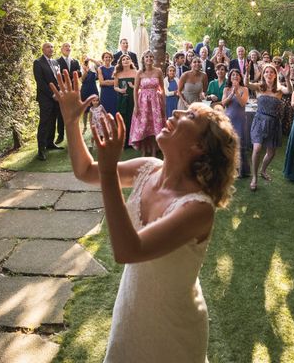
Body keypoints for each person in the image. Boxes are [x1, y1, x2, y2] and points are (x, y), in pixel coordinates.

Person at [50, 70, 238, 363]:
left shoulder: (197, 209)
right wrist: (72, 120)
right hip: (132, 311)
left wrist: (111, 169)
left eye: (189, 115)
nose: (175, 111)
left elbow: (128, 250)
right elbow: (86, 171)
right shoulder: (147, 168)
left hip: (174, 329)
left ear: (198, 147)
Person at [245, 64, 292, 191]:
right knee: (257, 148)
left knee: (271, 152)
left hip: (274, 123)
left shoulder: (279, 88)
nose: (269, 74)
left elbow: (290, 91)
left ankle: (263, 170)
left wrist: (287, 78)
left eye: (271, 72)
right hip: (259, 120)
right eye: (266, 72)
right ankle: (254, 177)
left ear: (275, 74)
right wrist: (247, 72)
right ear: (263, 74)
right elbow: (246, 83)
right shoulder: (259, 87)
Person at [130, 50, 166, 157]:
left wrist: (163, 104)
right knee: (144, 127)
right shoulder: (139, 73)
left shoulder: (158, 71)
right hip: (143, 103)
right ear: (143, 59)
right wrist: (136, 106)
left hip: (155, 102)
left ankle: (154, 150)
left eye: (151, 57)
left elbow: (162, 89)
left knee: (155, 127)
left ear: (153, 59)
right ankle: (144, 150)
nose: (149, 59)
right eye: (147, 57)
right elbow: (135, 90)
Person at [33, 43, 62, 160]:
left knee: (53, 121)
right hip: (45, 98)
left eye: (52, 47)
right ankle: (41, 150)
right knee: (44, 123)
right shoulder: (38, 63)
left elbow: (58, 80)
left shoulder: (55, 62)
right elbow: (40, 82)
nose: (51, 49)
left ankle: (50, 143)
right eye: (48, 47)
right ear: (43, 49)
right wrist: (52, 94)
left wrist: (60, 92)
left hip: (57, 98)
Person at [222, 69, 250, 178]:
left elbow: (243, 103)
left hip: (240, 119)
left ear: (240, 77)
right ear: (229, 77)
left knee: (240, 143)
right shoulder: (226, 89)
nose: (235, 76)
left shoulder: (245, 89)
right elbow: (223, 103)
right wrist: (231, 93)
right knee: (228, 144)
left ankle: (241, 170)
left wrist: (237, 91)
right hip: (228, 119)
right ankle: (228, 169)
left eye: (237, 75)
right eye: (233, 75)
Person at [55, 43, 83, 144]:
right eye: (66, 47)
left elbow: (79, 73)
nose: (68, 48)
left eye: (69, 47)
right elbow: (56, 75)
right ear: (61, 49)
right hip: (63, 90)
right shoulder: (56, 62)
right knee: (61, 112)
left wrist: (72, 75)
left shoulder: (75, 61)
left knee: (74, 112)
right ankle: (60, 135)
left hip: (74, 90)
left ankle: (74, 135)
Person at [113, 54, 137, 147]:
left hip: (133, 99)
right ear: (121, 62)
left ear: (131, 61)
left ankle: (133, 141)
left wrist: (133, 86)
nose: (126, 60)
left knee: (132, 118)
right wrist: (120, 90)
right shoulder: (117, 73)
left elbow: (140, 87)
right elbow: (115, 86)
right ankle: (123, 141)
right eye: (123, 59)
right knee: (122, 119)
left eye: (128, 59)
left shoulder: (136, 72)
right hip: (122, 99)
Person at [80, 57, 99, 133]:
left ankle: (95, 126)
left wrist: (91, 59)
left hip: (93, 89)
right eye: (84, 59)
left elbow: (99, 64)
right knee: (85, 110)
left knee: (95, 108)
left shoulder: (93, 67)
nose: (86, 60)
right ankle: (84, 127)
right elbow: (82, 80)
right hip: (85, 90)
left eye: (86, 58)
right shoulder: (81, 67)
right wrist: (86, 71)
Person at [98, 51, 118, 116]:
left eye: (109, 57)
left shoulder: (115, 68)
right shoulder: (100, 68)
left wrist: (106, 81)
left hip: (113, 92)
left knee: (114, 110)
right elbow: (101, 82)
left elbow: (117, 81)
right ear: (103, 59)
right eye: (106, 57)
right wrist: (112, 82)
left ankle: (114, 126)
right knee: (104, 111)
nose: (108, 58)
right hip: (105, 93)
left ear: (111, 58)